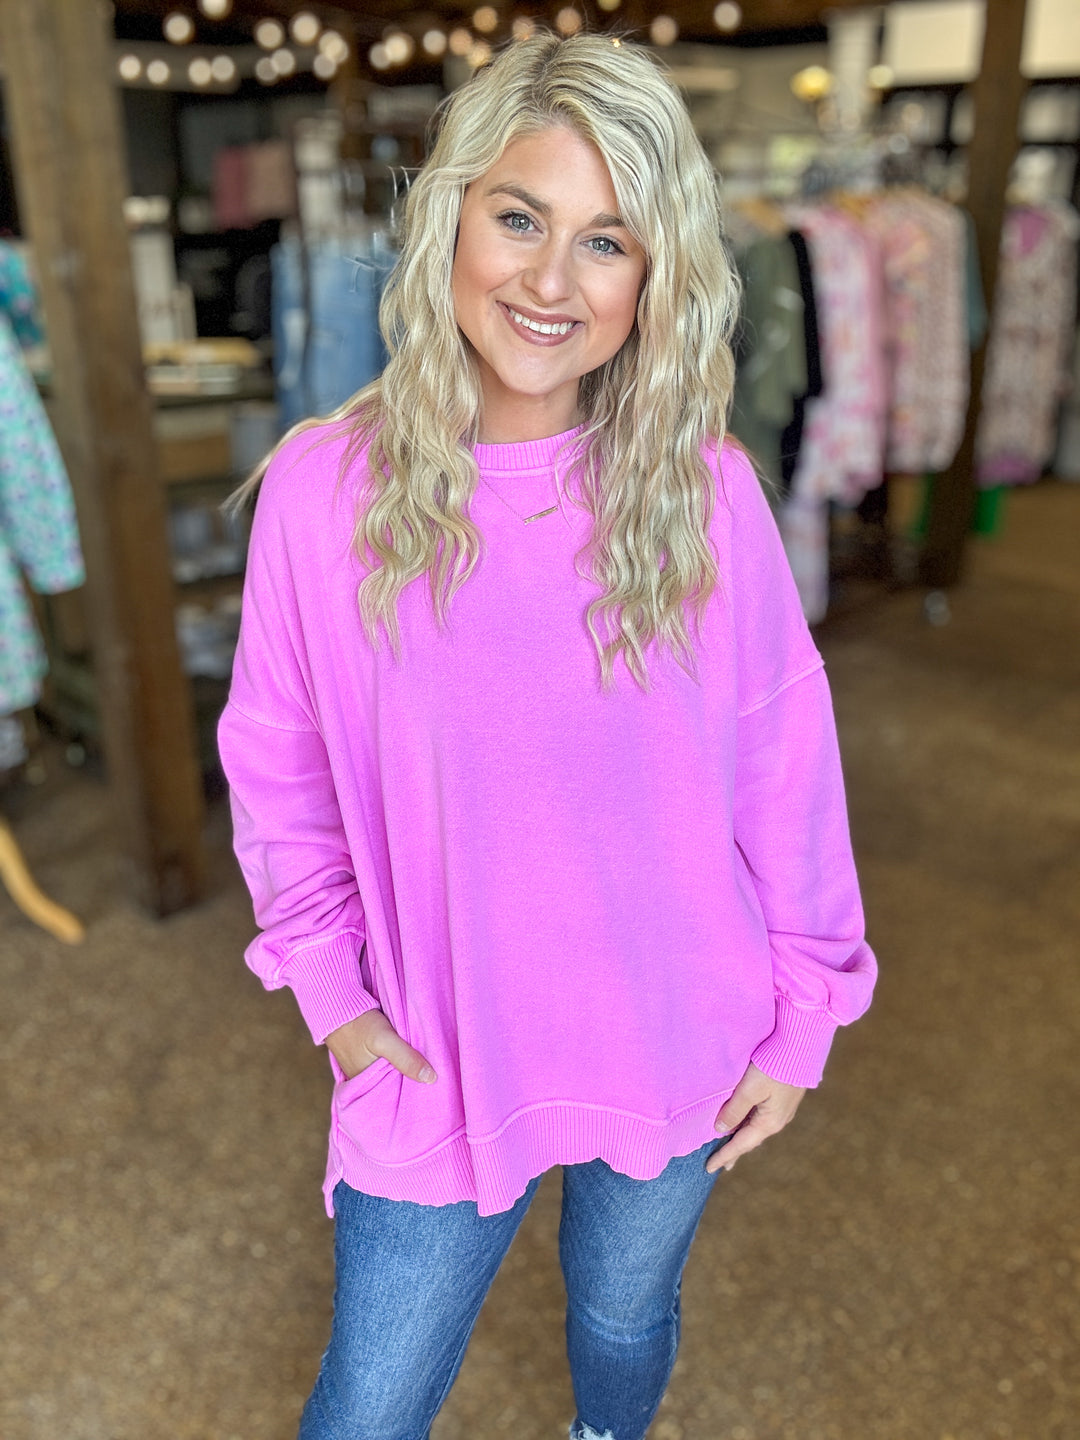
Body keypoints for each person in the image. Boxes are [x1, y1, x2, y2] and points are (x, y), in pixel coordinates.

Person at [219, 31, 877, 1440]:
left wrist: (805, 1012)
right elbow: (279, 764)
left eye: (607, 241)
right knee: (368, 1404)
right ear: (451, 217)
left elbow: (787, 766)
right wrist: (334, 992)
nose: (551, 281)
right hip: (434, 1051)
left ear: (653, 280)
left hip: (679, 1030)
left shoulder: (706, 495)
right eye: (520, 218)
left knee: (621, 1320)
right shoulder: (321, 494)